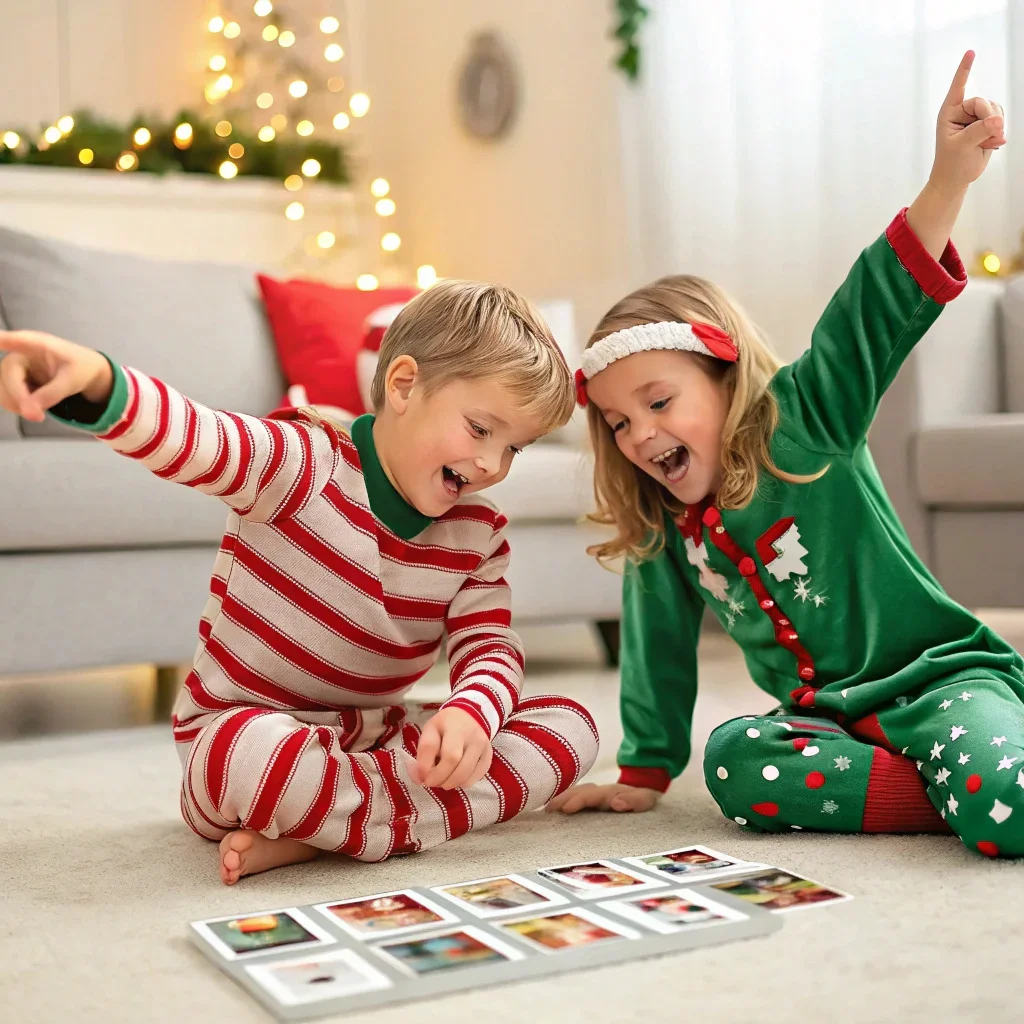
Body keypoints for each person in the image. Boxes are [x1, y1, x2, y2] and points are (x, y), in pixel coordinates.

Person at [548, 52, 1022, 858]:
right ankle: (957, 789)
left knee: (1002, 800)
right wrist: (645, 770)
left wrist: (947, 182)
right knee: (735, 765)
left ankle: (979, 778)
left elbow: (870, 308)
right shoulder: (667, 521)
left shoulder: (802, 420)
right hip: (826, 725)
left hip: (942, 687)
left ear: (724, 377)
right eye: (620, 424)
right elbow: (656, 643)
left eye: (658, 403)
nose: (641, 436)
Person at [0, 280, 599, 883]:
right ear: (404, 385)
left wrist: (473, 712)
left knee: (572, 729)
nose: (492, 465)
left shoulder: (478, 533)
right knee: (252, 763)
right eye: (479, 429)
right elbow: (197, 437)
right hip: (242, 734)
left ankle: (323, 832)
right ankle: (365, 820)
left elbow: (489, 646)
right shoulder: (303, 462)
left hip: (372, 737)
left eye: (514, 449)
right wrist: (102, 386)